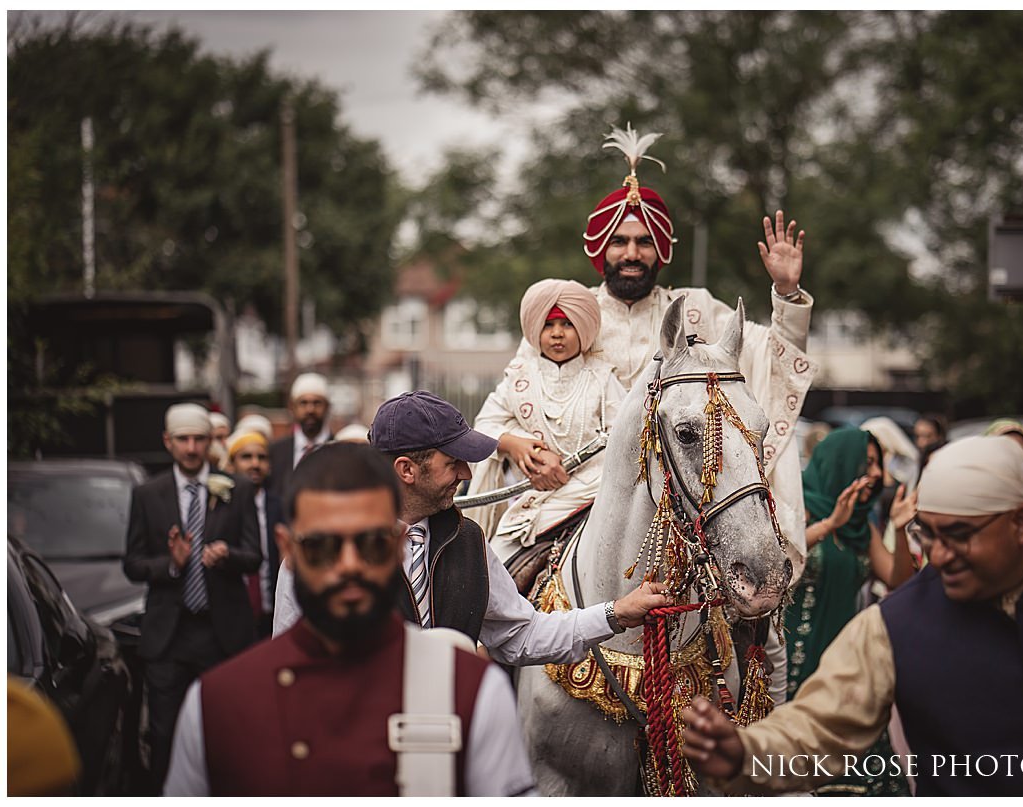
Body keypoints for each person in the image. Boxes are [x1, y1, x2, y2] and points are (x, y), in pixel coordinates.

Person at [681, 435, 1023, 797]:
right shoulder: (892, 627)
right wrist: (742, 753)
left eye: (961, 535)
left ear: (1021, 522)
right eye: (929, 534)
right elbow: (816, 730)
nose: (940, 555)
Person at [507, 123, 817, 567]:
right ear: (601, 248)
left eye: (644, 242)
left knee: (752, 606)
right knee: (511, 578)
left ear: (661, 251)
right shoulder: (567, 314)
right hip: (577, 491)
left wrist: (786, 293)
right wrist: (518, 446)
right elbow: (519, 395)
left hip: (688, 497)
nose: (632, 253)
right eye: (620, 242)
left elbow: (774, 361)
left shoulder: (696, 310)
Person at [163, 443, 536, 796]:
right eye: (323, 545)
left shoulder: (471, 691)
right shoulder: (217, 704)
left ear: (398, 545)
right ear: (288, 548)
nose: (349, 565)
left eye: (370, 543)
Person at [272, 391, 668, 667]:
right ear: (407, 470)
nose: (466, 473)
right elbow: (290, 664)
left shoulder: (467, 540)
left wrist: (617, 612)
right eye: (453, 462)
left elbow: (523, 635)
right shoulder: (316, 551)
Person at [122, 403, 262, 792]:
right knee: (164, 734)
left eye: (199, 439)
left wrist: (226, 556)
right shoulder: (148, 494)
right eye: (183, 439)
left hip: (223, 634)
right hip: (170, 634)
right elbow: (132, 564)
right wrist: (171, 564)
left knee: (225, 732)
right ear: (168, 442)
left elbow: (255, 556)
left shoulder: (237, 488)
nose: (191, 447)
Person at [782, 427, 915, 795]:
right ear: (841, 462)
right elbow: (780, 556)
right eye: (867, 463)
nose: (877, 474)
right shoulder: (796, 507)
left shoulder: (862, 524)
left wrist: (900, 531)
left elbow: (896, 579)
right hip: (793, 660)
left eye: (878, 464)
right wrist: (829, 525)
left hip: (842, 661)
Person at [470, 278, 624, 560]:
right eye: (548, 325)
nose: (557, 334)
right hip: (536, 499)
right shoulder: (519, 379)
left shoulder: (602, 378)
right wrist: (517, 446)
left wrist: (567, 473)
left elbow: (626, 439)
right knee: (495, 560)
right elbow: (483, 427)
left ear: (584, 328)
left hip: (594, 494)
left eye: (567, 324)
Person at [226, 428, 285, 638]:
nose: (255, 464)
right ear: (231, 463)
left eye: (261, 457)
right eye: (246, 457)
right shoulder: (218, 506)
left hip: (272, 614)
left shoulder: (281, 506)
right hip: (231, 618)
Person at [269, 373, 335, 505]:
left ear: (327, 407)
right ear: (292, 407)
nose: (310, 409)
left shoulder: (339, 449)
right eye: (303, 403)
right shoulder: (275, 452)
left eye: (317, 403)